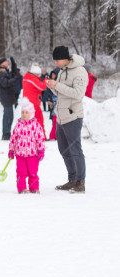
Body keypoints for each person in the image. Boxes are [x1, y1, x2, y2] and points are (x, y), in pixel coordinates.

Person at [48, 46, 88, 193]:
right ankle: (72, 179)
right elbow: (61, 93)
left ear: (65, 58)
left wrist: (57, 85)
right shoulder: (62, 70)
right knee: (63, 149)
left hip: (73, 116)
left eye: (57, 60)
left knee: (75, 150)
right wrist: (52, 87)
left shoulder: (79, 71)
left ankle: (80, 182)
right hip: (61, 116)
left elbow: (78, 94)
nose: (56, 64)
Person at [9, 98, 46, 194]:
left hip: (33, 154)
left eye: (26, 112)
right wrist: (11, 150)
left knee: (33, 172)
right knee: (21, 172)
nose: (24, 114)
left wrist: (41, 150)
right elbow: (13, 139)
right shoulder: (18, 126)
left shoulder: (36, 126)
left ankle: (34, 188)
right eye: (22, 112)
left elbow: (40, 139)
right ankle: (22, 188)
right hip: (20, 154)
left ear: (32, 114)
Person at [0, 56, 22, 140]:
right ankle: (5, 134)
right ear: (2, 63)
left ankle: (7, 133)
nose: (7, 63)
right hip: (5, 97)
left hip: (9, 96)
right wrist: (14, 79)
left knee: (9, 115)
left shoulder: (5, 72)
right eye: (6, 62)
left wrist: (13, 64)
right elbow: (5, 83)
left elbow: (15, 73)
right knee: (8, 116)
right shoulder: (0, 73)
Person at [22, 63, 47, 138]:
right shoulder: (32, 79)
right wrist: (45, 80)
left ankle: (30, 136)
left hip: (29, 103)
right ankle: (41, 137)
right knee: (39, 121)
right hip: (33, 104)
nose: (39, 75)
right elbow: (42, 87)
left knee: (29, 122)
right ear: (35, 72)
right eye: (38, 74)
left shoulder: (27, 78)